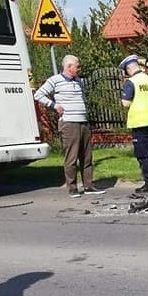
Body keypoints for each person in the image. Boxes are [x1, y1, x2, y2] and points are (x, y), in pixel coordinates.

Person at [34, 55, 106, 198]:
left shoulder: (78, 81)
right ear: (68, 67)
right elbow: (38, 94)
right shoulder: (55, 80)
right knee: (71, 156)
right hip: (69, 122)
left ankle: (88, 185)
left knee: (86, 156)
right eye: (77, 67)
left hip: (82, 121)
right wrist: (54, 105)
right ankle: (72, 187)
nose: (79, 69)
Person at [119, 54, 148, 193]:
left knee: (143, 155)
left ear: (128, 69)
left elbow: (125, 104)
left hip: (140, 123)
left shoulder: (131, 82)